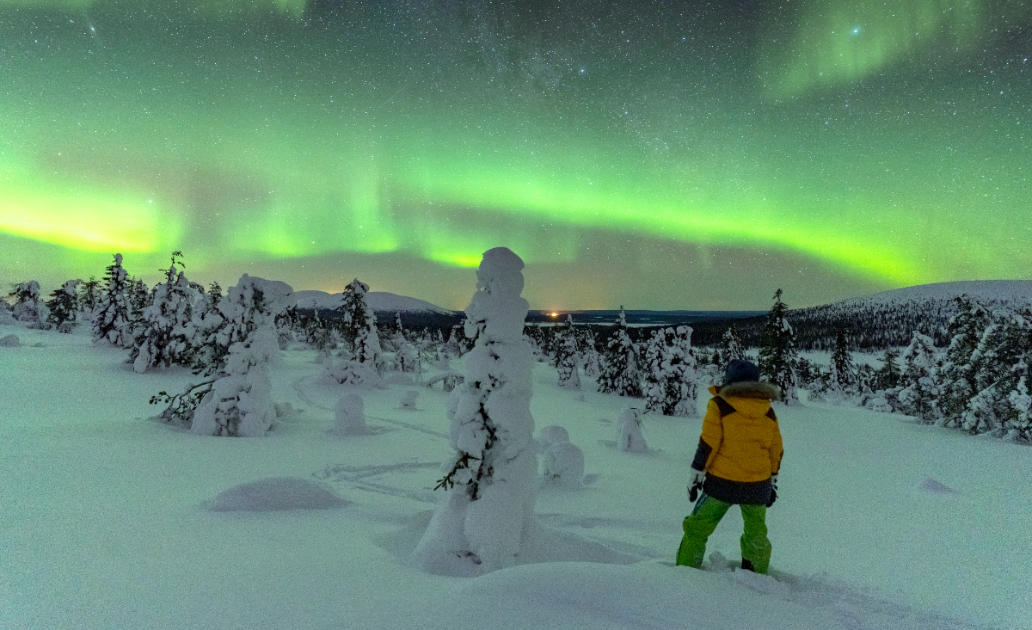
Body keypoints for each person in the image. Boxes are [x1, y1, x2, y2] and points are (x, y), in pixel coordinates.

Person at [676, 359, 783, 574]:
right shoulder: (768, 411)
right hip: (758, 484)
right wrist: (772, 482)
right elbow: (776, 450)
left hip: (721, 483)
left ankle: (685, 572)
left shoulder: (719, 405)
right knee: (756, 533)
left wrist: (696, 475)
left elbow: (708, 443)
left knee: (697, 528)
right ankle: (757, 576)